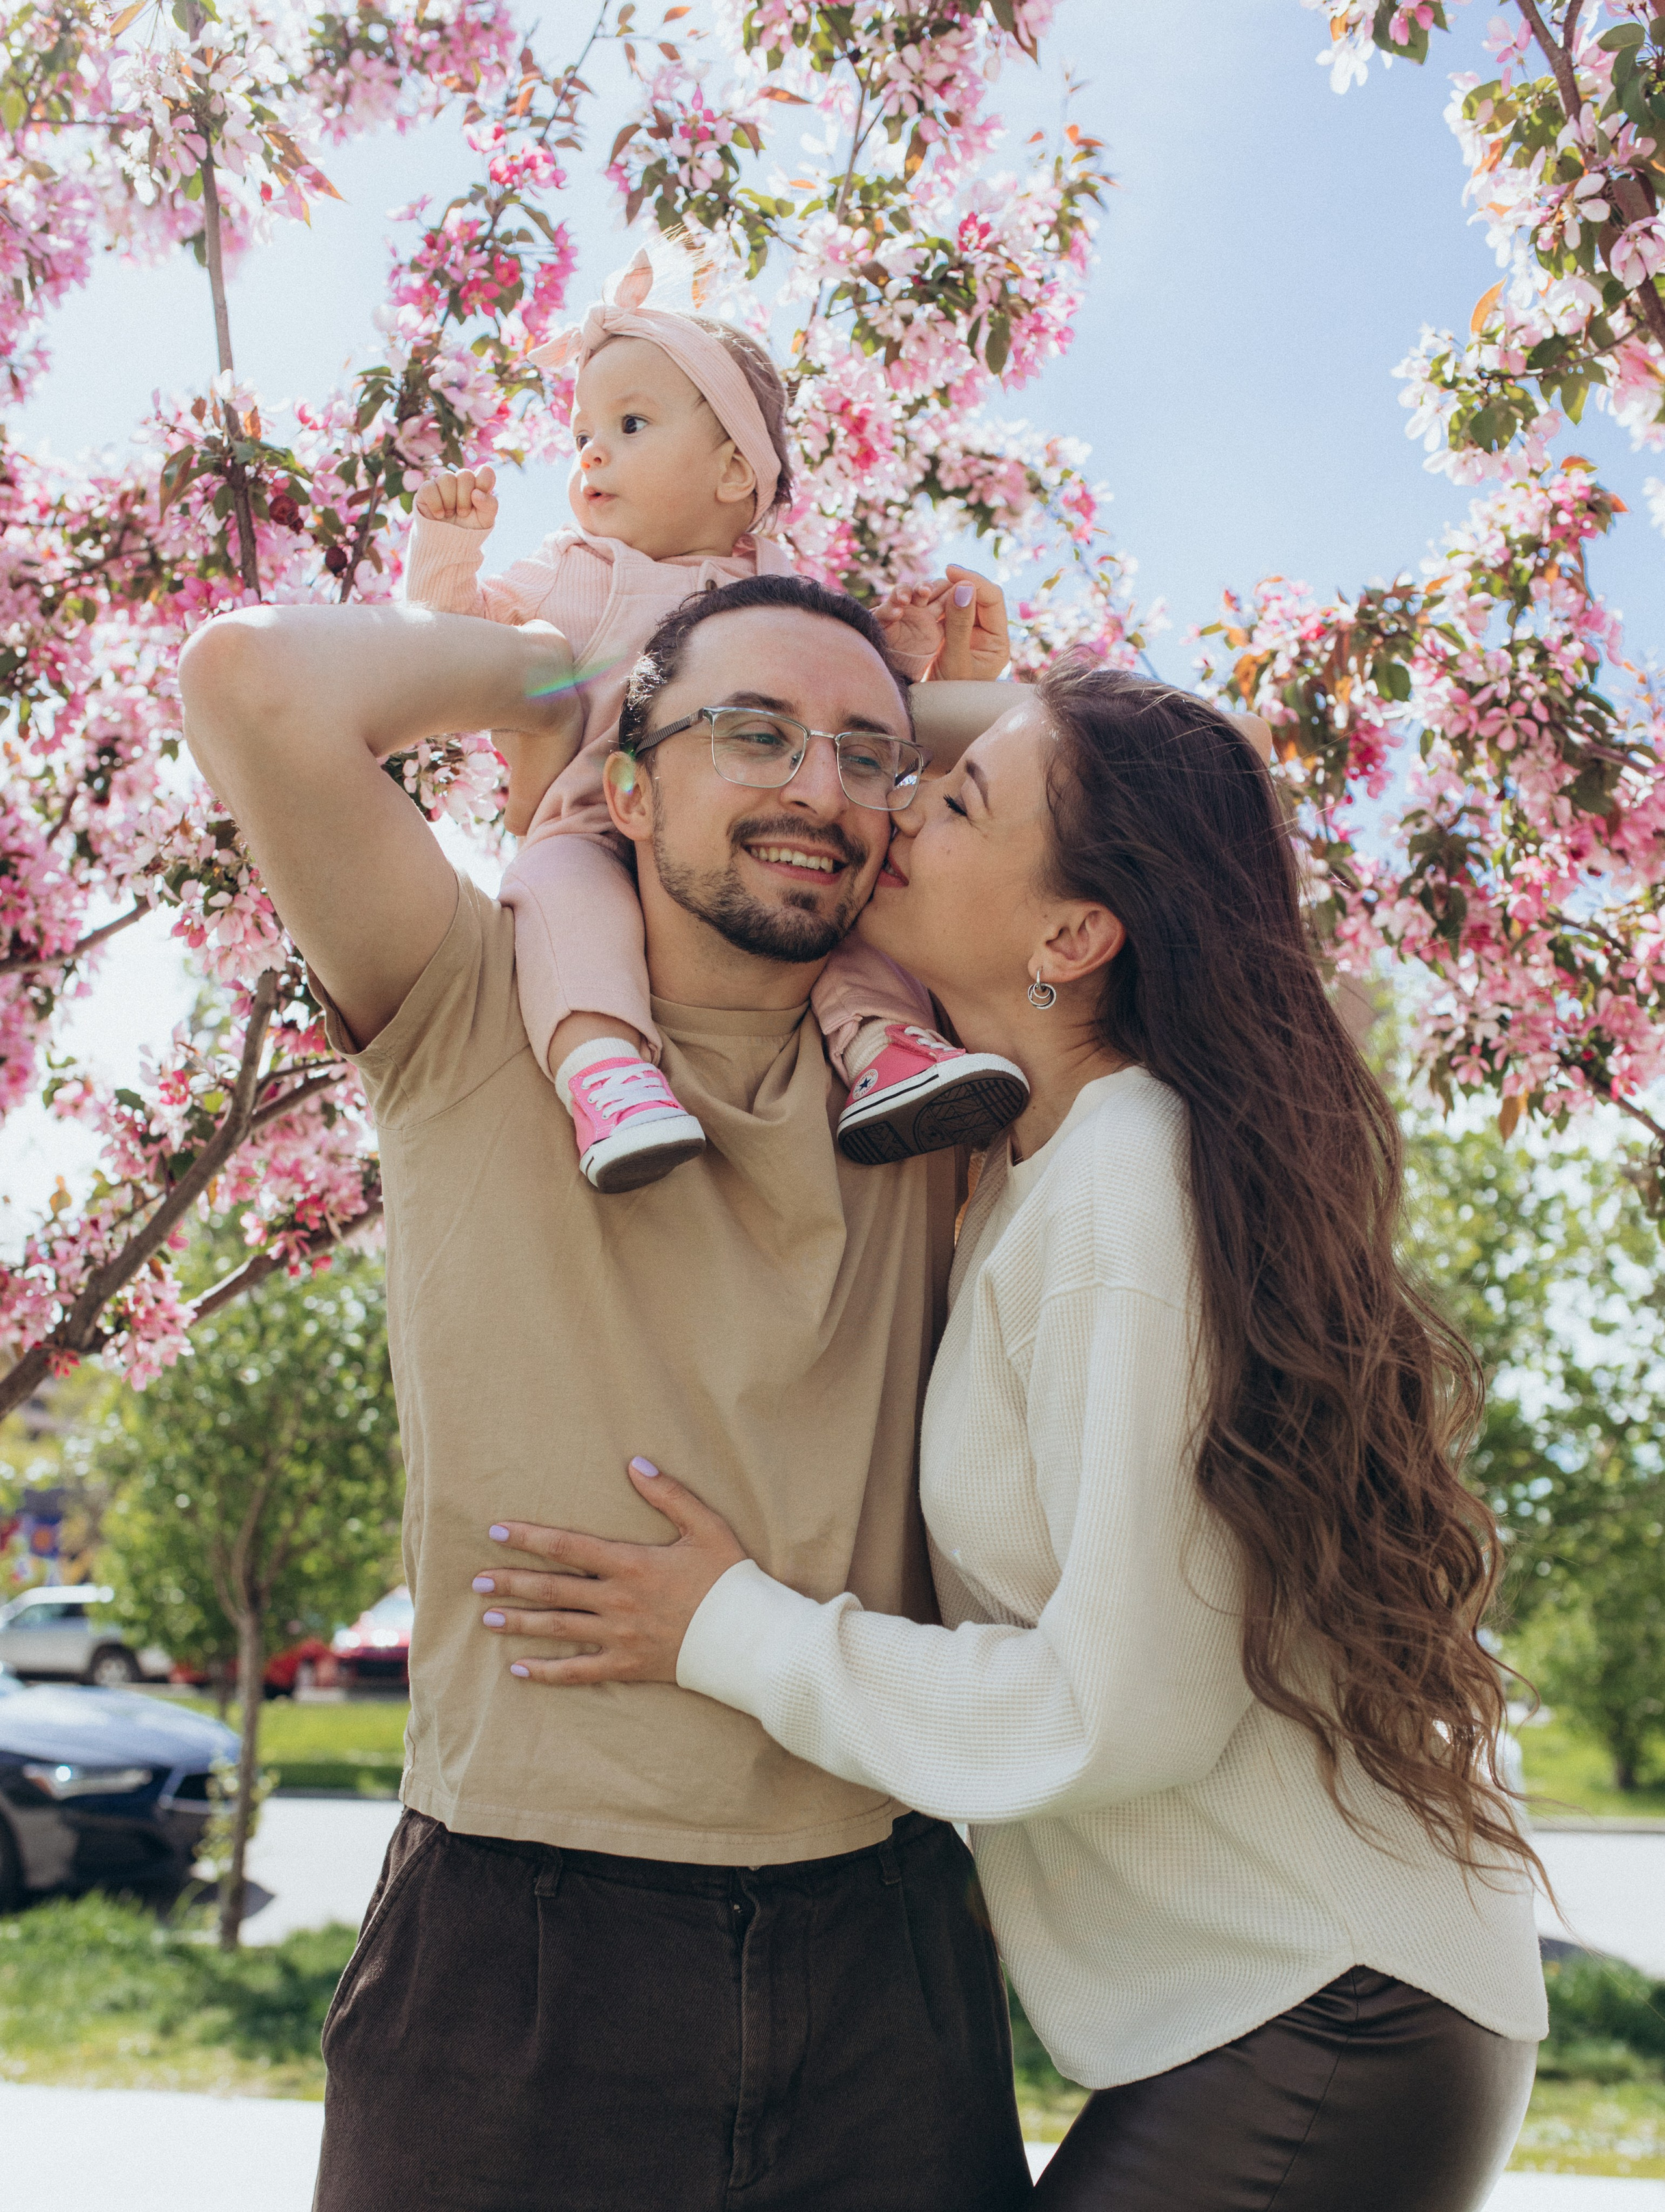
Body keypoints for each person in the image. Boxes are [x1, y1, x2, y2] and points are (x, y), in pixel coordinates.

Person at [475, 665, 1551, 2212]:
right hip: (1286, 2015)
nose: (893, 808)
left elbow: (1116, 1709)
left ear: (1068, 937)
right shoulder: (1028, 1167)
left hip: (1323, 2021)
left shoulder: (1125, 1176)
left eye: (953, 797)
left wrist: (727, 1630)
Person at [177, 575, 1033, 2212]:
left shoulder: (939, 1081)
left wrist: (847, 713)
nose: (817, 790)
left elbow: (1194, 772)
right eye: (753, 738)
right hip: (518, 1951)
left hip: (883, 1944)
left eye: (866, 761)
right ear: (627, 789)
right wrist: (569, 674)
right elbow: (251, 679)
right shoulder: (470, 1007)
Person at [404, 245, 1026, 1190]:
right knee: (561, 896)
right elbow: (455, 642)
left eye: (630, 423)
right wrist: (447, 544)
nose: (592, 454)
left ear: (737, 470)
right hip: (596, 816)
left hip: (752, 814)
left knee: (843, 903)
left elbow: (833, 706)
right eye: (581, 438)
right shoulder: (579, 574)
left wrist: (905, 658)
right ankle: (608, 1073)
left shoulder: (779, 588)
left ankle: (890, 1051)